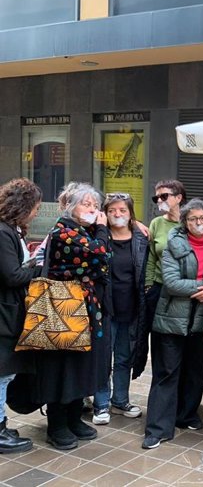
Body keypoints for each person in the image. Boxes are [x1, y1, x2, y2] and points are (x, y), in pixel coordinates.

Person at [33, 183, 112, 450]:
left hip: (86, 306)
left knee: (82, 362)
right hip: (63, 305)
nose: (93, 209)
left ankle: (74, 416)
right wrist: (102, 230)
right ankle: (56, 424)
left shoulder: (83, 231)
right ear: (71, 206)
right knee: (62, 363)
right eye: (86, 204)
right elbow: (100, 253)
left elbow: (102, 262)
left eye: (96, 205)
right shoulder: (64, 231)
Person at [142, 198, 203, 449]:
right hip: (171, 318)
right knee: (167, 372)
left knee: (196, 371)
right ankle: (158, 428)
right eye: (193, 219)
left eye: (202, 218)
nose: (198, 223)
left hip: (201, 320)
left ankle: (186, 415)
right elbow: (171, 282)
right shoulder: (174, 243)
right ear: (185, 221)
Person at [91, 193, 149, 425]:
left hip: (132, 308)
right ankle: (101, 404)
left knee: (124, 357)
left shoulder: (141, 238)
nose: (118, 214)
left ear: (130, 213)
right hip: (105, 309)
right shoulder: (98, 237)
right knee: (104, 358)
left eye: (123, 210)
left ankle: (120, 400)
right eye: (112, 210)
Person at [0, 178, 42, 453]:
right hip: (4, 314)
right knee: (2, 376)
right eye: (36, 207)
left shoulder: (11, 230)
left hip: (8, 312)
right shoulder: (3, 233)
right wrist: (39, 268)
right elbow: (11, 275)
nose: (37, 212)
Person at [145, 179, 186, 337]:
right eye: (156, 198)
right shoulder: (156, 223)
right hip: (159, 286)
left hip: (185, 288)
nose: (159, 201)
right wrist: (148, 285)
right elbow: (151, 256)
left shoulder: (191, 222)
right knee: (158, 336)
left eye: (164, 196)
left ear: (178, 198)